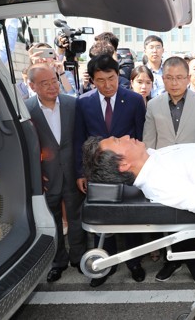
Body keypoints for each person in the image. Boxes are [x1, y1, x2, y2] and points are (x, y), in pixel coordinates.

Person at [142, 56, 195, 285]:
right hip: (165, 174)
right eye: (169, 78)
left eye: (179, 78)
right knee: (170, 218)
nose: (174, 83)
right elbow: (148, 143)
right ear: (162, 79)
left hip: (194, 172)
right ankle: (171, 260)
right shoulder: (153, 105)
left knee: (192, 217)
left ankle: (194, 262)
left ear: (188, 78)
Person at [74, 54, 147, 287]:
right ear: (93, 80)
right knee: (103, 218)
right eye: (100, 80)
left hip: (127, 172)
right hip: (97, 172)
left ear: (119, 76)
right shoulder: (83, 102)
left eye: (111, 78)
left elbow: (140, 136)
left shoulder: (134, 100)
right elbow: (79, 139)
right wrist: (81, 172)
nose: (107, 85)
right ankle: (106, 264)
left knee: (131, 215)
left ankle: (134, 262)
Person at [25, 64, 86, 282]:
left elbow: (81, 139)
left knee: (77, 216)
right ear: (31, 86)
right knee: (53, 220)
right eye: (45, 83)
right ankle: (57, 261)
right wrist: (34, 175)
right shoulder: (26, 110)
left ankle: (78, 258)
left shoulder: (73, 104)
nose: (52, 86)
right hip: (46, 177)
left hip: (72, 172)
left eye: (54, 80)